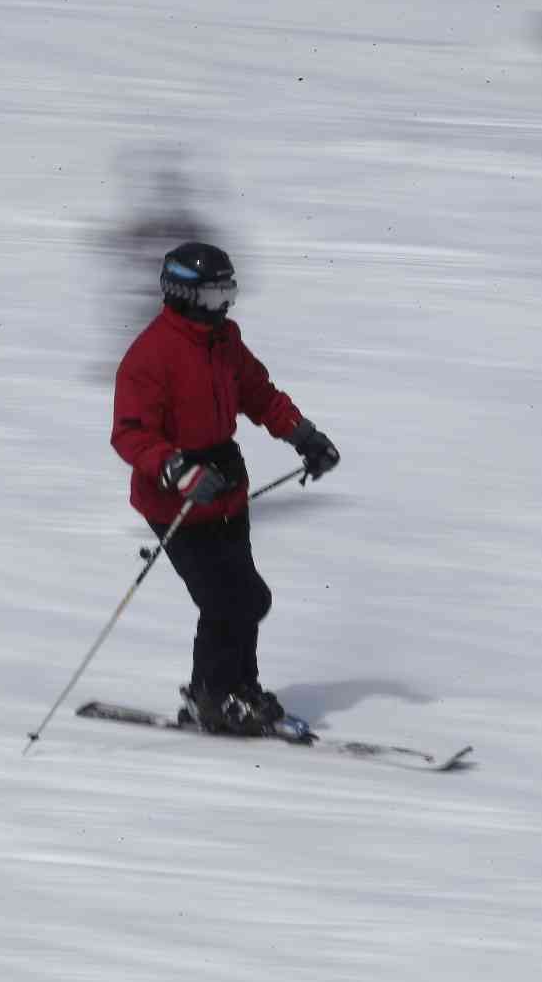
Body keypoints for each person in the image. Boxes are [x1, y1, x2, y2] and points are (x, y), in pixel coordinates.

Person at [111, 242, 340, 735]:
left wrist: (304, 436)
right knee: (223, 602)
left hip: (227, 491)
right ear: (182, 294)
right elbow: (130, 434)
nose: (225, 306)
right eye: (215, 295)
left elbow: (259, 394)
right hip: (177, 499)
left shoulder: (224, 341)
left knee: (249, 598)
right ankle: (212, 698)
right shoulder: (150, 355)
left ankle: (240, 689)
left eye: (228, 293)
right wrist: (178, 470)